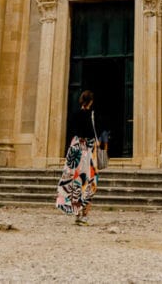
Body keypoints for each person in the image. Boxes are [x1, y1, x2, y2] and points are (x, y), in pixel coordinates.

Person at [56, 89, 99, 225]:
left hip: (75, 151)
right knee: (89, 183)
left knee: (75, 183)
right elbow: (93, 135)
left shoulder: (74, 114)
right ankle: (84, 216)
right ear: (90, 102)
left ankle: (76, 213)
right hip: (87, 152)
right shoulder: (91, 116)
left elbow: (72, 131)